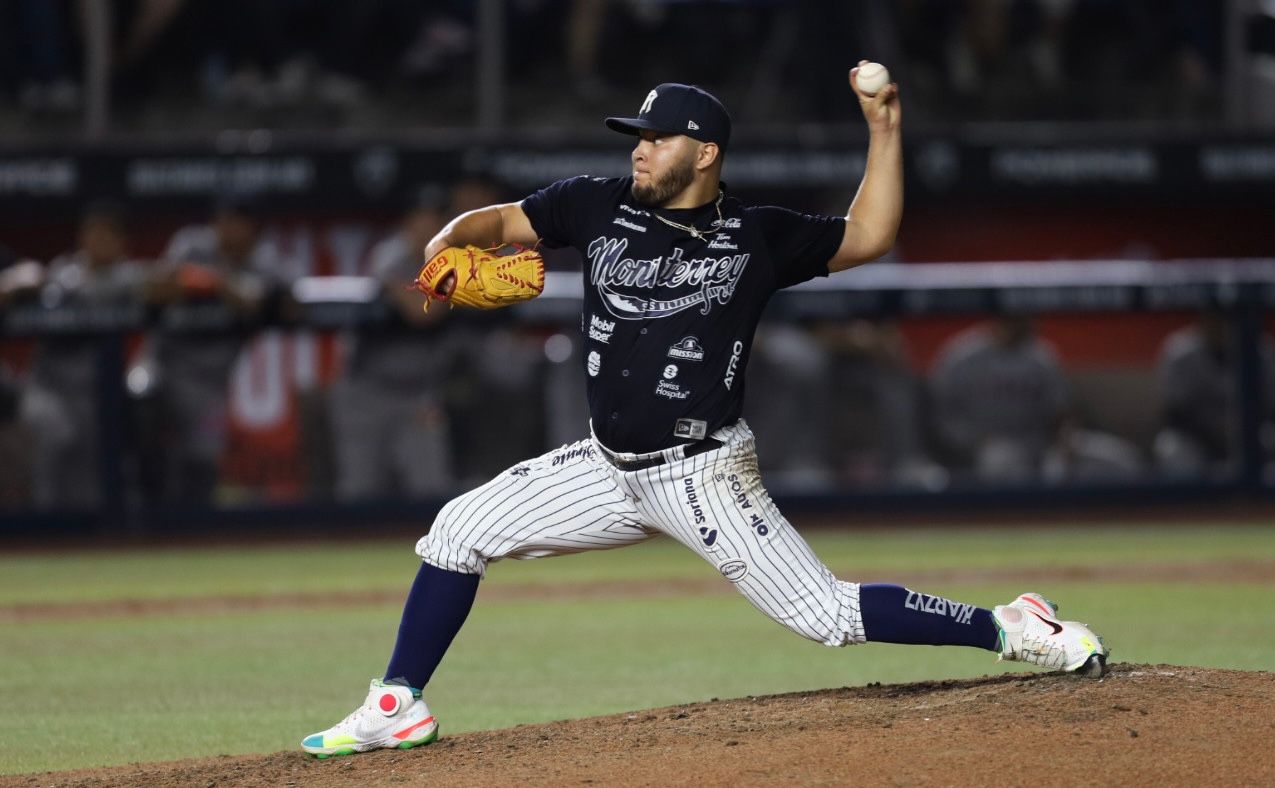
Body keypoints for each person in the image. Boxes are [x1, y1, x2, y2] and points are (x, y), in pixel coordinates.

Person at [301, 69, 1109, 759]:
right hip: (605, 466)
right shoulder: (595, 205)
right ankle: (397, 703)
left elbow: (870, 235)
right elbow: (493, 223)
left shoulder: (756, 236)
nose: (638, 149)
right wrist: (445, 248)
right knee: (455, 531)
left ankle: (1009, 626)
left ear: (704, 152)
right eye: (636, 136)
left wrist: (883, 126)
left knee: (825, 615)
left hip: (702, 472)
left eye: (655, 137)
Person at [328, 186, 459, 501]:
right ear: (408, 223)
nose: (429, 227)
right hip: (367, 390)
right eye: (421, 219)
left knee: (432, 490)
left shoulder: (456, 260)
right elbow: (420, 312)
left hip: (419, 394)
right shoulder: (388, 255)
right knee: (359, 492)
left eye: (436, 219)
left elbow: (429, 312)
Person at [18, 203, 147, 509]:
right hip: (48, 386)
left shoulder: (130, 276)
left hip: (95, 392)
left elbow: (164, 286)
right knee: (55, 435)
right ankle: (45, 527)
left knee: (92, 476)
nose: (98, 240)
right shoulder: (61, 274)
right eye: (92, 232)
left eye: (106, 233)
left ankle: (88, 540)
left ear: (121, 241)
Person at [929, 316, 1069, 482]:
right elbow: (939, 416)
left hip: (1034, 453)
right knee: (997, 459)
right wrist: (975, 443)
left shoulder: (1042, 357)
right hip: (972, 454)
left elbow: (1060, 414)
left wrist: (1060, 450)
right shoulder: (960, 356)